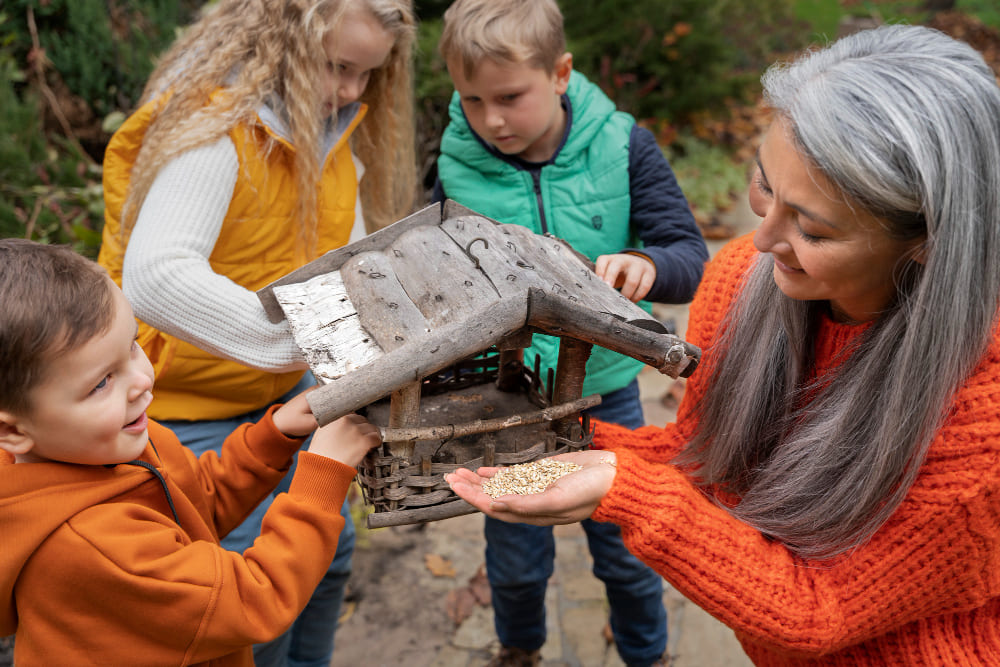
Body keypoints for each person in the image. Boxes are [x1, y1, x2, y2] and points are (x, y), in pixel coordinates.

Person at [447, 23, 1000, 665]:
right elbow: (709, 456)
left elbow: (818, 608)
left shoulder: (981, 416)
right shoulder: (745, 281)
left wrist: (626, 491)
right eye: (765, 187)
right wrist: (548, 442)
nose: (761, 241)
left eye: (814, 231)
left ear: (929, 241)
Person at [95, 1, 415, 665]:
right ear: (284, 41)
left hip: (279, 399)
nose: (355, 91)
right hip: (181, 414)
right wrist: (296, 343)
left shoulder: (330, 137)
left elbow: (345, 267)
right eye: (338, 67)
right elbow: (154, 276)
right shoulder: (217, 129)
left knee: (325, 557)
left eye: (368, 74)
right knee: (248, 604)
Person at [433, 1, 708, 664]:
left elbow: (687, 253)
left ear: (560, 73)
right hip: (510, 401)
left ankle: (648, 653)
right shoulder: (452, 163)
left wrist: (646, 264)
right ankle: (520, 648)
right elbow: (435, 272)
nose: (490, 119)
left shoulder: (622, 145)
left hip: (609, 389)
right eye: (471, 99)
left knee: (630, 551)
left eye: (509, 96)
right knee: (517, 555)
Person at [0, 239, 383, 666]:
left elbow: (196, 501)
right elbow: (254, 600)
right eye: (101, 382)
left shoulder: (112, 442)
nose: (142, 381)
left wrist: (274, 435)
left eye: (132, 346)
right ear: (11, 430)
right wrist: (322, 476)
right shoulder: (92, 544)